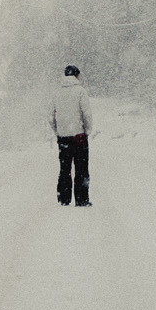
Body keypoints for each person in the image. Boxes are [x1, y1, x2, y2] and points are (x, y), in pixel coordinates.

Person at [51, 64, 92, 206]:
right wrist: (87, 130)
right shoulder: (80, 91)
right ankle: (81, 199)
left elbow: (51, 116)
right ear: (76, 75)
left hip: (63, 136)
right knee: (81, 168)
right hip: (79, 135)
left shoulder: (57, 93)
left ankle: (64, 198)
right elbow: (86, 113)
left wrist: (57, 131)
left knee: (64, 168)